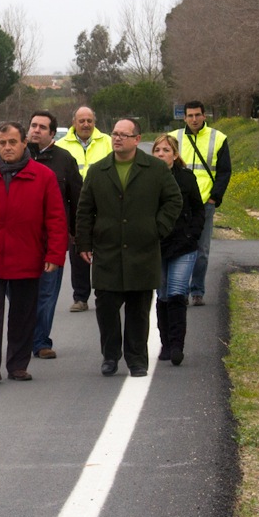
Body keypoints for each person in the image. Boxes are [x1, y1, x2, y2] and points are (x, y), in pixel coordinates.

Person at [0, 122, 68, 386]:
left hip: (27, 256)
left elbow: (55, 219)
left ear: (23, 144)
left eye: (12, 142)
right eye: (2, 143)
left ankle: (18, 365)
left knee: (23, 312)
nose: (6, 147)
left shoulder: (43, 176)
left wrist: (54, 255)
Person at [75, 118, 182, 378]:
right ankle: (110, 356)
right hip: (107, 252)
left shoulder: (155, 169)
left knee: (138, 309)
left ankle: (137, 360)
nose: (117, 138)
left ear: (137, 139)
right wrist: (85, 243)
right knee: (106, 308)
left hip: (142, 251)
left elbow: (173, 200)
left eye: (124, 134)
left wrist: (157, 229)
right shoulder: (98, 171)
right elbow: (84, 210)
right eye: (114, 134)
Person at [26, 110, 82, 360]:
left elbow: (77, 199)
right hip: (21, 239)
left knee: (47, 292)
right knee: (22, 293)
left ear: (52, 133)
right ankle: (24, 337)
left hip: (53, 239)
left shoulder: (64, 160)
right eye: (33, 125)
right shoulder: (17, 155)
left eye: (42, 127)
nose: (36, 130)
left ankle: (40, 342)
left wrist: (74, 232)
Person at [150, 133, 204, 366]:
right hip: (156, 245)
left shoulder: (186, 178)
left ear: (175, 154)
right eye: (157, 150)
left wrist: (192, 234)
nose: (161, 154)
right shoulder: (146, 179)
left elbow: (198, 210)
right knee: (162, 295)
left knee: (177, 293)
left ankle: (177, 345)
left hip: (183, 245)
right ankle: (165, 342)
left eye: (166, 150)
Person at [171, 100, 231, 306]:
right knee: (179, 247)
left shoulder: (218, 138)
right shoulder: (174, 138)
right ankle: (180, 290)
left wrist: (215, 197)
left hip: (205, 203)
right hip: (178, 202)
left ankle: (197, 290)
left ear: (204, 116)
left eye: (197, 115)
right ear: (184, 117)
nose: (194, 119)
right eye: (190, 115)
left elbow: (224, 171)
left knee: (201, 250)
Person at [57, 106, 112, 313]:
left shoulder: (107, 142)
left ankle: (104, 294)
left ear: (94, 122)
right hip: (76, 209)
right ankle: (80, 297)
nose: (86, 124)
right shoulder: (61, 146)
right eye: (82, 121)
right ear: (74, 123)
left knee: (105, 253)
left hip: (105, 206)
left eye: (89, 120)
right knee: (78, 252)